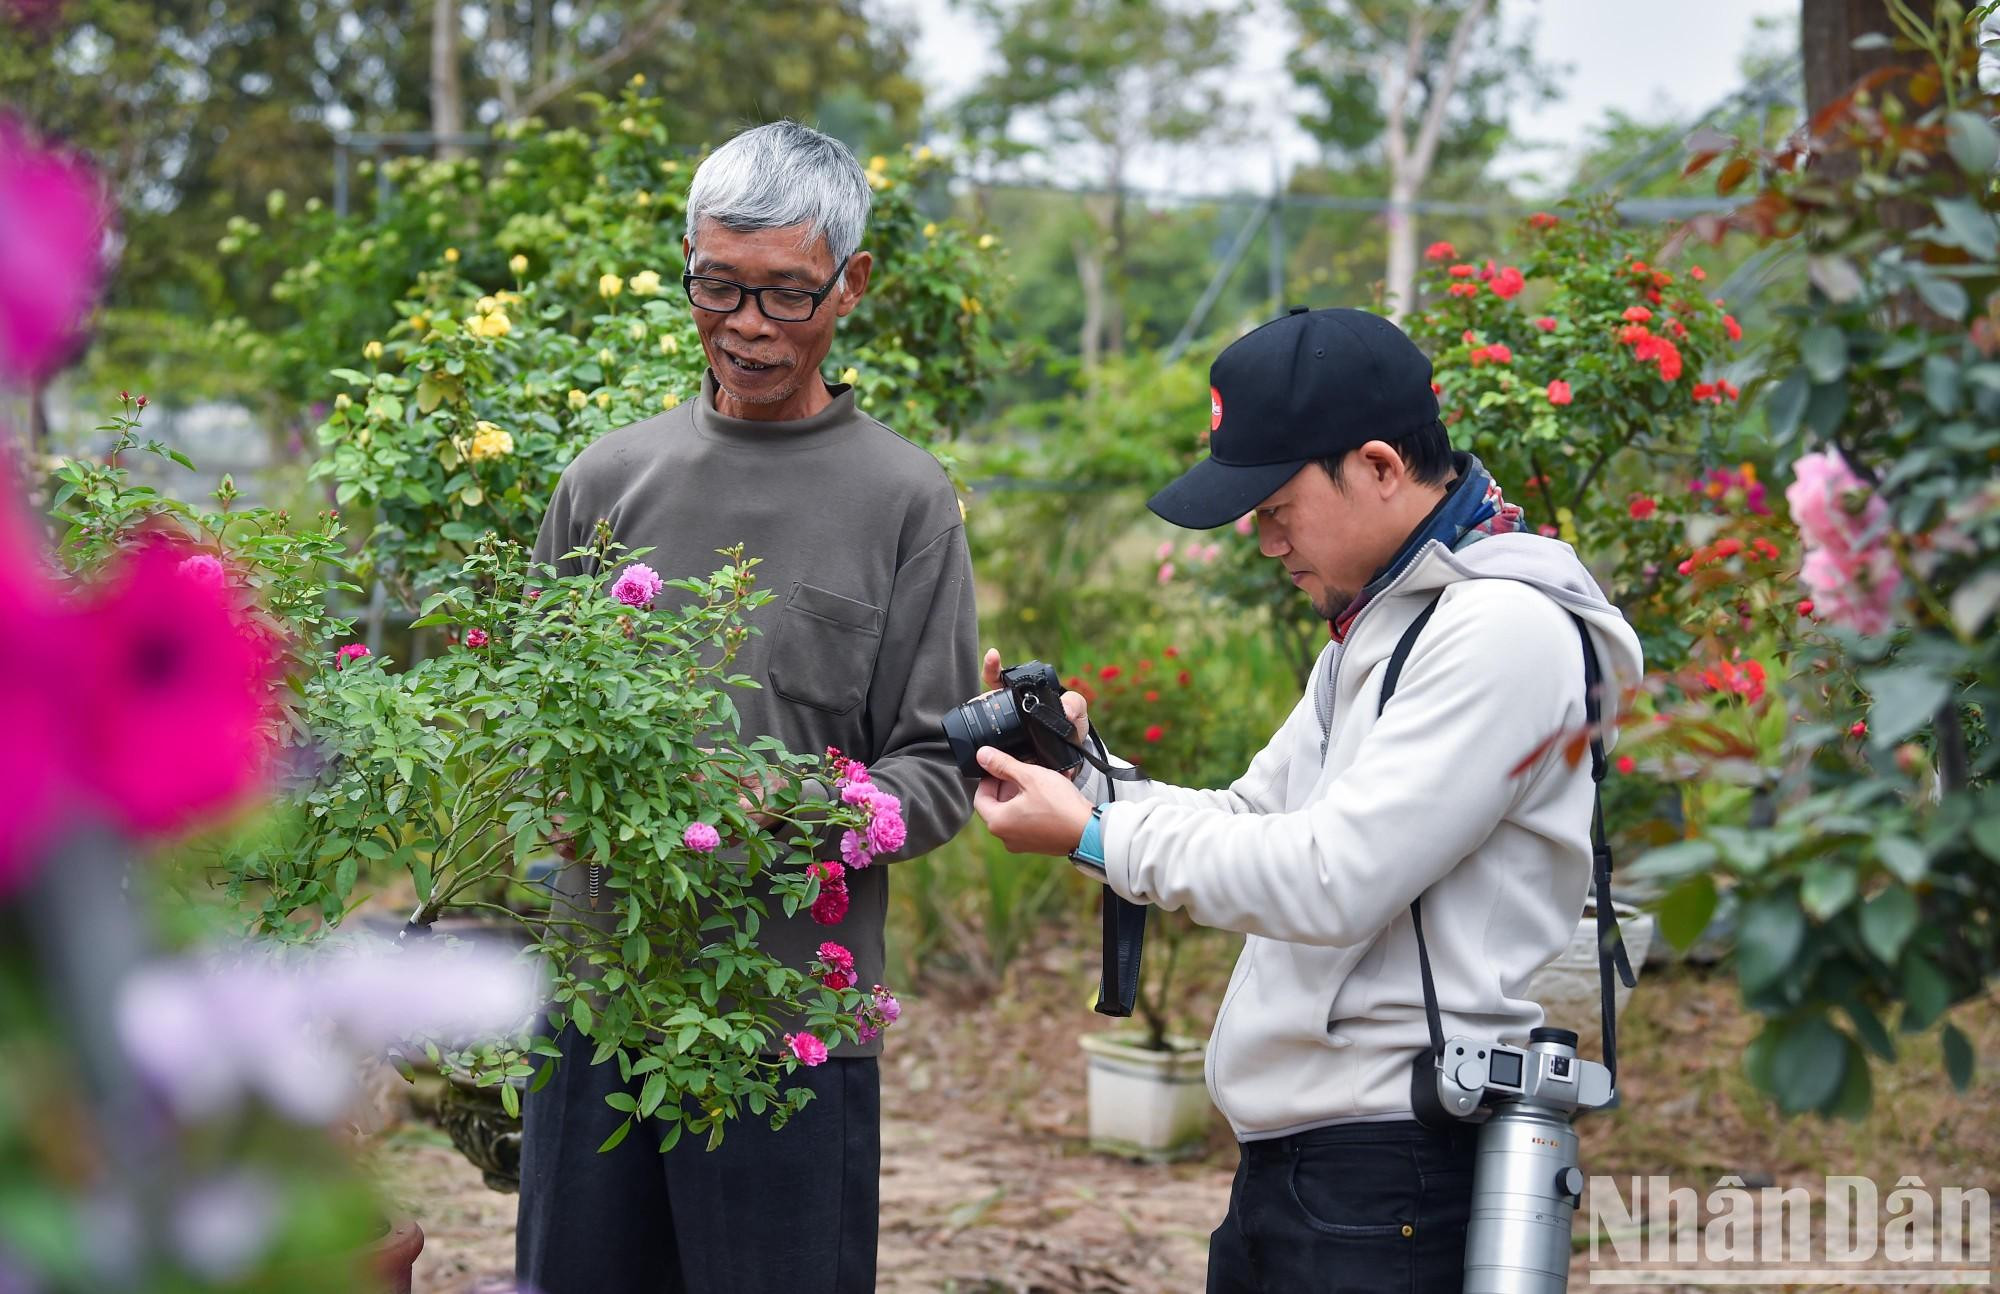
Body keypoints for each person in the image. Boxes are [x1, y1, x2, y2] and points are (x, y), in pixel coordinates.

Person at [971, 307, 1645, 1294]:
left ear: (1377, 466)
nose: (1261, 539)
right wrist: (1074, 774)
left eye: (1274, 505)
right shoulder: (1380, 625)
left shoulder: (1500, 629)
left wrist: (1096, 835)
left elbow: (1332, 878)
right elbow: (1250, 816)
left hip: (1392, 1170)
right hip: (1306, 1168)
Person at [517, 120, 978, 1294]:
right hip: (600, 1014)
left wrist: (804, 804)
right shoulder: (605, 481)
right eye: (716, 287)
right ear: (687, 262)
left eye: (784, 295)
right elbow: (522, 732)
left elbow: (933, 766)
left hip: (790, 1027)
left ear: (851, 285)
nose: (747, 328)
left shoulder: (903, 500)